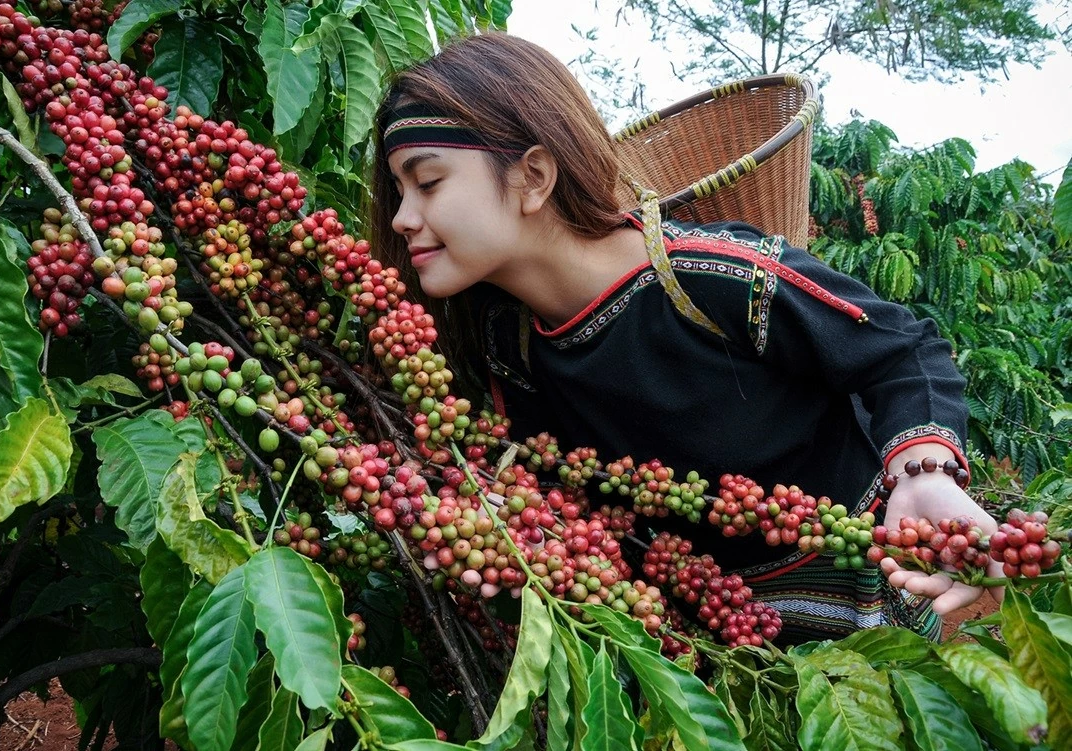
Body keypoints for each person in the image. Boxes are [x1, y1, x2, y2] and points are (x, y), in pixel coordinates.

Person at [369, 32, 1000, 643]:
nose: (402, 218)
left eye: (428, 183)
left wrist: (926, 473)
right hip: (735, 653)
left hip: (888, 597)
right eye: (397, 191)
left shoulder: (708, 277)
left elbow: (899, 350)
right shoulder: (509, 349)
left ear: (533, 176)